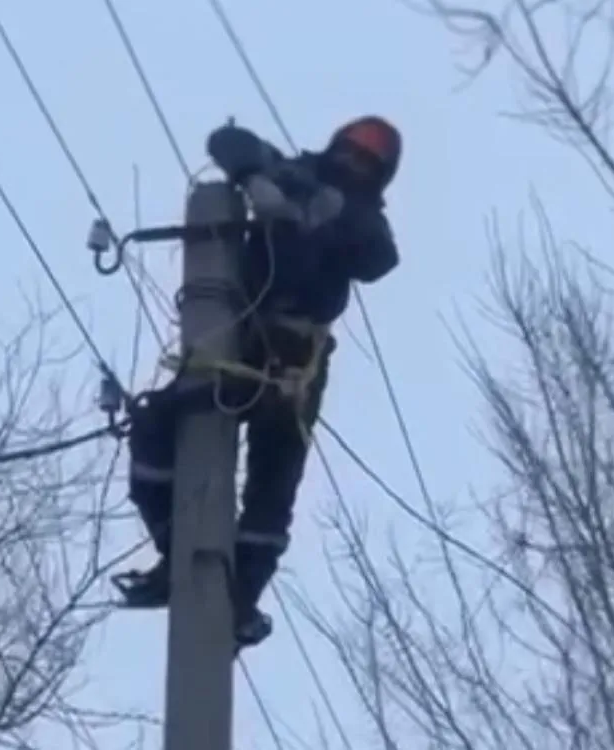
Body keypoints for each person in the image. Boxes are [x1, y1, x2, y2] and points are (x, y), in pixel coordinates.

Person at [113, 116, 402, 649]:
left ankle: (237, 597)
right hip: (233, 336)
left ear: (379, 176)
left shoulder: (364, 217)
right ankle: (178, 552)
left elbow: (378, 257)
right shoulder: (292, 170)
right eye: (352, 152)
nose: (354, 165)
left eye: (368, 163)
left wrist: (327, 223)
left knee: (272, 483)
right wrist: (257, 178)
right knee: (155, 425)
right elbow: (226, 139)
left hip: (294, 356)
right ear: (335, 143)